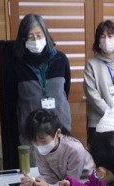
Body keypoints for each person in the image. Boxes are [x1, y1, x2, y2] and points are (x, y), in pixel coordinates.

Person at [13, 13, 71, 166]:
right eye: (30, 37)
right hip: (32, 134)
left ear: (46, 34)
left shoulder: (61, 59)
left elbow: (65, 91)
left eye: (39, 35)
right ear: (23, 40)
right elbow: (12, 101)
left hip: (60, 129)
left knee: (62, 177)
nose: (36, 40)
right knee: (36, 179)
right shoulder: (17, 65)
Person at [19, 109, 94, 186]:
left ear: (58, 133)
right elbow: (49, 176)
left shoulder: (74, 149)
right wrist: (34, 182)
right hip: (62, 184)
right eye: (35, 142)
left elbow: (70, 185)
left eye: (43, 141)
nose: (39, 145)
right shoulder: (39, 148)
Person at [84, 20, 114, 144]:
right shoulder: (91, 64)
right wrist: (110, 114)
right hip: (99, 121)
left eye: (110, 36)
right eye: (102, 37)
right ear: (98, 41)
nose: (106, 40)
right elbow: (92, 95)